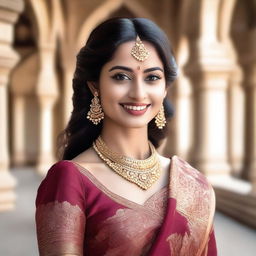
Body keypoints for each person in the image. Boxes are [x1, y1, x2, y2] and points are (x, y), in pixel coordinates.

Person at [35, 17, 217, 255]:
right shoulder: (70, 180)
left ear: (165, 89)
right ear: (95, 86)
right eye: (121, 76)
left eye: (152, 78)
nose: (138, 93)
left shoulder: (194, 183)